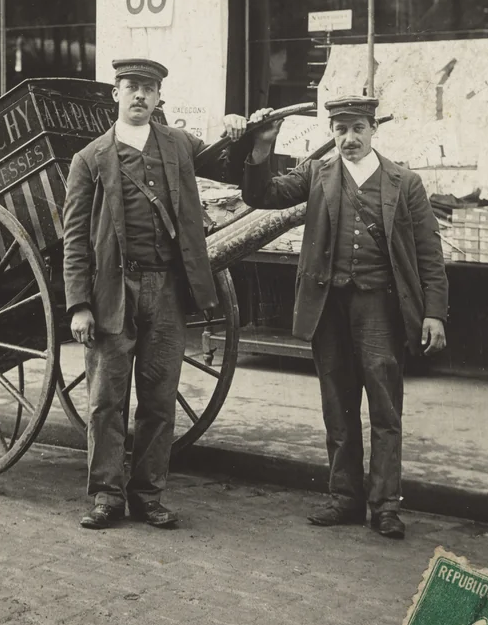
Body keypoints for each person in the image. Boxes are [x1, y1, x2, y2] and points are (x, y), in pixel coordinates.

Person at [241, 95, 448, 539]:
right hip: (329, 307)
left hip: (380, 308)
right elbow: (262, 194)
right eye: (340, 130)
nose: (349, 139)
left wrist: (434, 314)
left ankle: (386, 505)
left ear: (374, 129)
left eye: (357, 128)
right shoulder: (317, 174)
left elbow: (430, 254)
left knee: (385, 408)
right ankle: (345, 498)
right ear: (331, 133)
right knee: (337, 404)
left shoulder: (404, 182)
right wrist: (260, 151)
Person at [63, 58, 248, 530]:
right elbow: (75, 239)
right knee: (106, 400)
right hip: (111, 292)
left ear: (159, 97)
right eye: (131, 87)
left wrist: (238, 130)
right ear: (116, 94)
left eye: (149, 88)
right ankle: (106, 495)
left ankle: (148, 494)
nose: (140, 96)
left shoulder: (179, 145)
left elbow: (230, 164)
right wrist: (79, 304)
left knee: (159, 397)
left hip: (167, 288)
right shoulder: (89, 159)